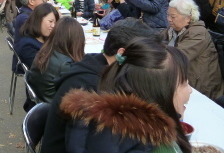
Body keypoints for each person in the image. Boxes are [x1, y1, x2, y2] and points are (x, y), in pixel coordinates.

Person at [41, 18, 161, 153]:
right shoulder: (90, 86)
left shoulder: (95, 64)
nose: (147, 65)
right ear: (122, 53)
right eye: (145, 57)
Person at [57, 37, 192, 153]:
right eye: (184, 83)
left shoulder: (95, 126)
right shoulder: (158, 146)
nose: (190, 90)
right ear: (160, 92)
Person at [164, 0, 224, 100]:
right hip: (185, 81)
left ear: (188, 17)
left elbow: (177, 56)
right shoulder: (173, 29)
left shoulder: (198, 33)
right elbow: (155, 39)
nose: (169, 19)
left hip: (201, 88)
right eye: (168, 15)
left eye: (173, 16)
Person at [28, 17, 84, 103]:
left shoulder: (46, 50)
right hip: (53, 108)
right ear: (77, 40)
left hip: (41, 101)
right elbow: (75, 93)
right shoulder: (66, 64)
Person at [15, 3, 59, 69]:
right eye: (50, 21)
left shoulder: (42, 37)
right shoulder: (28, 45)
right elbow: (42, 69)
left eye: (55, 23)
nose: (53, 26)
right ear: (38, 20)